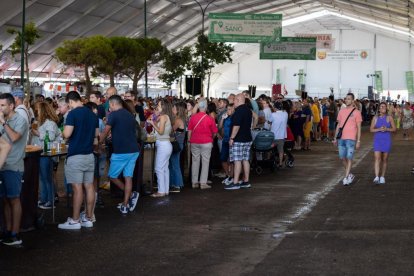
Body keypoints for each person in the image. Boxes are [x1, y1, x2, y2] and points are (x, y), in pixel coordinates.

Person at [58, 91, 99, 230]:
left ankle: (75, 220)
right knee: (89, 186)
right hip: (89, 155)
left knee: (77, 188)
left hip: (76, 155)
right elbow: (96, 137)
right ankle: (88, 218)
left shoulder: (72, 114)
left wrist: (63, 133)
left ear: (70, 102)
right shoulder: (92, 115)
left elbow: (67, 134)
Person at [100, 95, 139, 214]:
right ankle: (125, 204)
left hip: (121, 152)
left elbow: (105, 132)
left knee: (113, 176)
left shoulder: (113, 115)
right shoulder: (130, 114)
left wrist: (98, 143)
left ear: (112, 104)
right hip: (133, 150)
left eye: (109, 106)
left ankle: (131, 195)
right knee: (128, 177)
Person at [0, 93, 28, 246]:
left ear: (11, 106)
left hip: (14, 165)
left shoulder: (20, 120)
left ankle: (16, 234)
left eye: (3, 105)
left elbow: (15, 137)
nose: (0, 108)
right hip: (2, 165)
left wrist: (4, 123)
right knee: (5, 200)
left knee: (14, 199)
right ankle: (8, 230)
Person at [31, 102, 61, 209]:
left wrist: (37, 133)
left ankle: (51, 200)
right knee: (43, 177)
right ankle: (44, 199)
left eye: (38, 109)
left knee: (47, 178)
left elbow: (51, 137)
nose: (36, 111)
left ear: (43, 110)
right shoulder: (40, 122)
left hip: (47, 154)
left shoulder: (50, 123)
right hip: (40, 153)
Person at [188, 98, 218, 189]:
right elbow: (215, 132)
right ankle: (203, 183)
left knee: (195, 161)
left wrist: (190, 141)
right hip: (206, 142)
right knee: (205, 162)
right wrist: (211, 139)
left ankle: (194, 182)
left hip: (194, 142)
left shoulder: (193, 117)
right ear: (206, 107)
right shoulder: (210, 119)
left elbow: (189, 131)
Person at [333, 93, 362, 186]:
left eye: (349, 99)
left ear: (353, 100)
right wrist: (335, 137)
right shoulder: (341, 111)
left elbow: (359, 127)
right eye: (346, 99)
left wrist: (358, 140)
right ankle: (349, 175)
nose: (347, 100)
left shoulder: (357, 112)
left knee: (349, 158)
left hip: (351, 139)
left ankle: (346, 177)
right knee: (342, 158)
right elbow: (338, 125)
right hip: (341, 138)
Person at [225, 93, 253, 190]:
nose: (233, 102)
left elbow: (236, 126)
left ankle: (235, 182)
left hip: (238, 139)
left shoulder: (238, 111)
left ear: (238, 100)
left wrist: (232, 138)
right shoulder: (248, 110)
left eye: (234, 100)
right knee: (245, 160)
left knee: (237, 160)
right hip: (247, 138)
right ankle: (246, 181)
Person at [147, 99, 173, 197]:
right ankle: (165, 190)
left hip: (163, 145)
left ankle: (161, 191)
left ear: (163, 107)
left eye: (159, 105)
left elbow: (161, 132)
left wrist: (153, 124)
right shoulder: (165, 116)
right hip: (166, 144)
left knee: (158, 168)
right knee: (165, 168)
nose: (157, 106)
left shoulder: (163, 117)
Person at [370, 102, 396, 184]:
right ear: (379, 108)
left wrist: (387, 129)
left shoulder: (389, 118)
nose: (383, 108)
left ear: (386, 108)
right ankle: (377, 176)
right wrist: (379, 129)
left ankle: (382, 176)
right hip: (377, 140)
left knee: (384, 159)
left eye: (384, 106)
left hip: (386, 140)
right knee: (377, 158)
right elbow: (371, 129)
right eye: (381, 106)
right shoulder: (375, 118)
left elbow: (394, 129)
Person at [169, 102, 186, 193]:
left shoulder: (178, 120)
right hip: (179, 143)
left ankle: (177, 185)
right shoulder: (180, 119)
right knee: (173, 164)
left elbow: (171, 131)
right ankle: (173, 183)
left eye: (174, 108)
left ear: (178, 110)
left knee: (175, 165)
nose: (172, 110)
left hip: (177, 144)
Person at [219, 103, 234, 185]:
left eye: (229, 109)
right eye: (227, 109)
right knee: (223, 158)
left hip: (232, 141)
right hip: (225, 140)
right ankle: (228, 175)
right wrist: (222, 118)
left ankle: (231, 177)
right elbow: (220, 127)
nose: (227, 111)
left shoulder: (234, 118)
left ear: (233, 109)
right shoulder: (226, 117)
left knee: (231, 160)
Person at [269, 102, 288, 168]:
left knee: (270, 150)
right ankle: (280, 163)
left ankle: (270, 161)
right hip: (282, 136)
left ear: (275, 108)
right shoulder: (285, 114)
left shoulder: (273, 114)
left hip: (273, 136)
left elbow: (269, 121)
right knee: (281, 150)